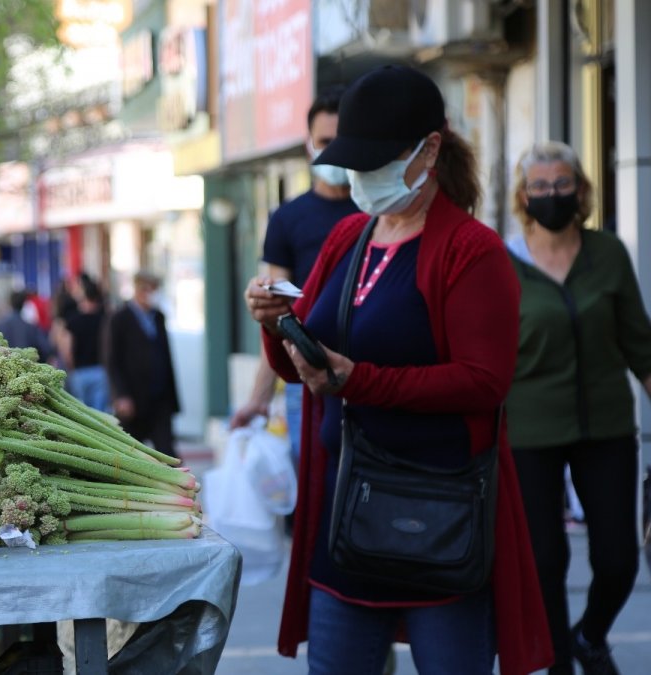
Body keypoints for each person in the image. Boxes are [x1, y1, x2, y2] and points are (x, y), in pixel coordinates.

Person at [245, 65, 552, 675]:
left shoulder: (471, 250)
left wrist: (358, 380)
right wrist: (275, 324)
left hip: (438, 519)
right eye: (353, 163)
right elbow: (303, 368)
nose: (360, 178)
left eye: (375, 162)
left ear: (429, 151)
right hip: (345, 514)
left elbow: (485, 381)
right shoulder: (348, 238)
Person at [505, 141, 651, 675]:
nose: (552, 194)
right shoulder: (502, 261)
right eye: (540, 186)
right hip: (528, 432)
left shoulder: (607, 253)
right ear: (524, 196)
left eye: (562, 183)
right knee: (544, 561)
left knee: (618, 559)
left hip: (606, 427)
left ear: (582, 190)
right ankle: (559, 665)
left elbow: (639, 344)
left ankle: (589, 636)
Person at [231, 86, 360, 469]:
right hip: (305, 377)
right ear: (309, 145)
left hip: (368, 373)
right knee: (313, 485)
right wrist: (258, 398)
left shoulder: (379, 212)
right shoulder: (287, 219)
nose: (334, 150)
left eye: (343, 140)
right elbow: (275, 314)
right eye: (325, 141)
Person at [107, 271, 179, 459]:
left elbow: (165, 356)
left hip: (160, 398)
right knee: (132, 453)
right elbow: (112, 360)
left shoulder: (158, 317)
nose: (154, 294)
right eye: (150, 289)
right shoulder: (120, 318)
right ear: (139, 289)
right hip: (133, 399)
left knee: (167, 453)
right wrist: (121, 395)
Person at [60, 276, 110, 411]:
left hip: (79, 372)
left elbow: (67, 350)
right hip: (101, 371)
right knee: (100, 414)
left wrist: (71, 368)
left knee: (82, 413)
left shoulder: (73, 321)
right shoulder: (105, 320)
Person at [0, 290, 52, 362]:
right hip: (27, 365)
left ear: (9, 303)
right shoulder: (31, 328)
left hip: (3, 365)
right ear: (23, 304)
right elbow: (45, 349)